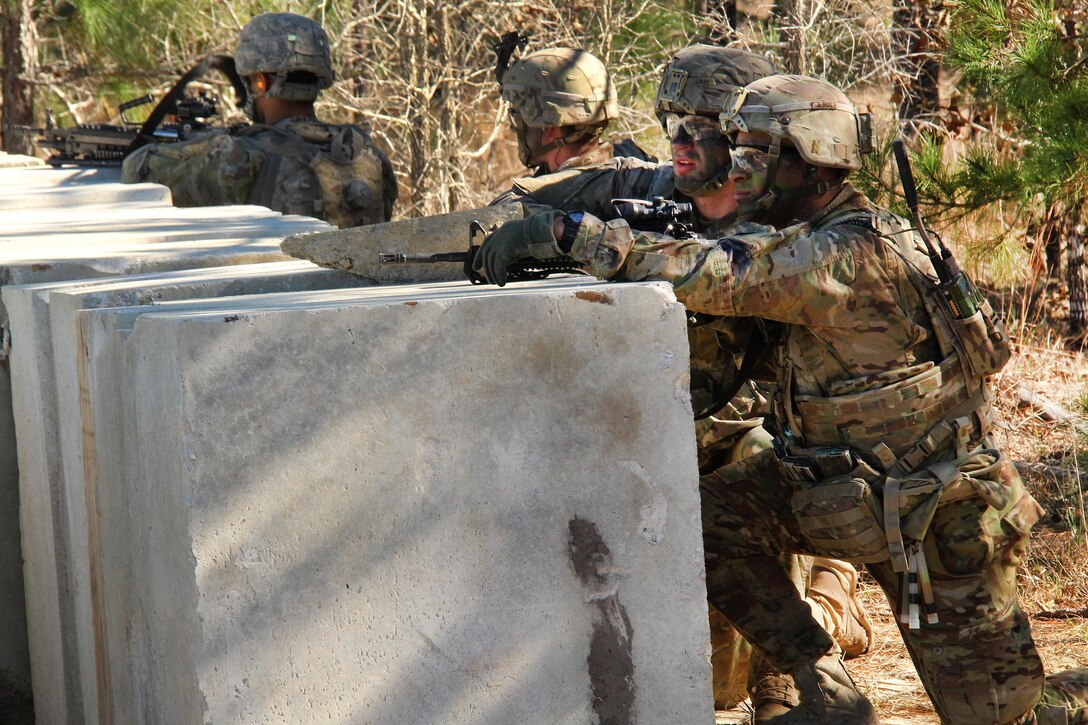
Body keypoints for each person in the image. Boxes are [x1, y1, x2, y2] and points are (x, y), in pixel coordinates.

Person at [474, 71, 1088, 724]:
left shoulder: (846, 254)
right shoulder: (807, 244)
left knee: (1009, 715)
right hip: (841, 493)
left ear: (811, 160)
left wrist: (572, 238)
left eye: (753, 154)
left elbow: (721, 274)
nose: (734, 170)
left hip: (938, 522)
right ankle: (821, 684)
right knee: (704, 523)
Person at [492, 46, 874, 721]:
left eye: (704, 126)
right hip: (677, 440)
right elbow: (549, 197)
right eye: (674, 123)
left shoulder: (792, 220)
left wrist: (683, 443)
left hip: (759, 448)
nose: (684, 143)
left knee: (759, 454)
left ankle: (798, 668)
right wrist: (516, 223)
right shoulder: (658, 187)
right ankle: (815, 606)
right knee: (704, 681)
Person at [122, 11, 397, 229]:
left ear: (260, 82)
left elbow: (136, 167)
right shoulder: (367, 155)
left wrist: (197, 146)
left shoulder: (239, 156)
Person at [497, 46, 654, 177]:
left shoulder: (535, 203)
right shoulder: (641, 168)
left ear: (549, 130)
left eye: (518, 116)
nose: (513, 128)